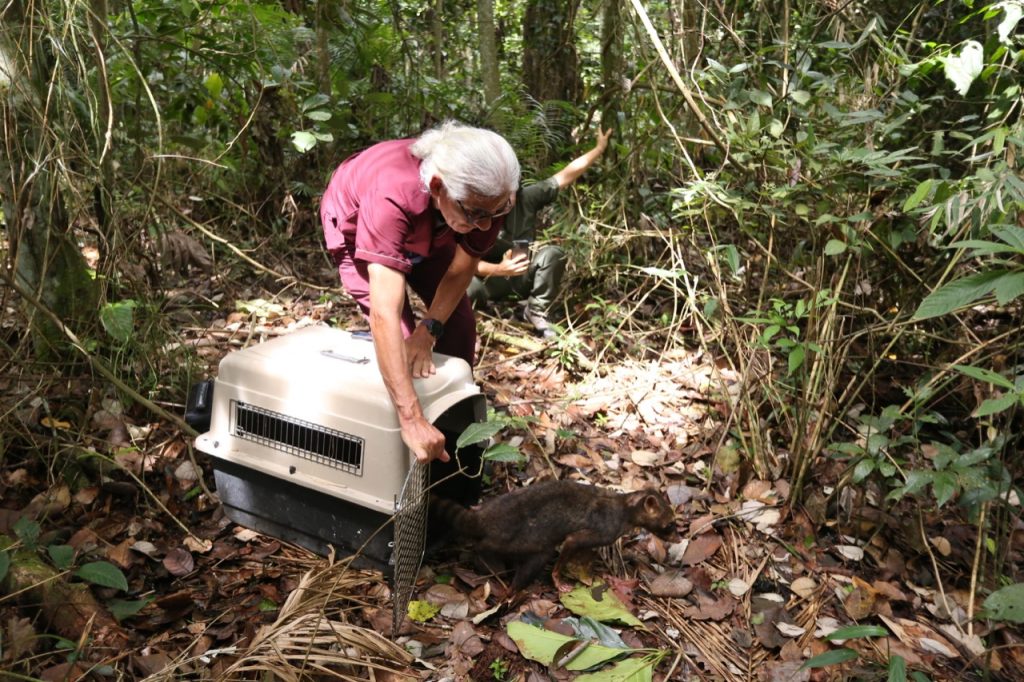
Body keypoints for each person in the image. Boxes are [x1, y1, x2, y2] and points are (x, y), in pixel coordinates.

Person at [320, 121, 520, 465]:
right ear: (438, 186)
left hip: (434, 227)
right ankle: (403, 454)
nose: (487, 226)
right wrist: (410, 416)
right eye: (477, 214)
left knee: (457, 326)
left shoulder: (489, 197)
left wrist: (431, 330)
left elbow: (462, 268)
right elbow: (385, 310)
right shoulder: (391, 194)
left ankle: (455, 446)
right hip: (360, 231)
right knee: (399, 340)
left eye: (497, 213)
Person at [467, 128, 612, 338]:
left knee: (554, 253)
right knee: (464, 286)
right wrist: (499, 269)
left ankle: (536, 310)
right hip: (488, 281)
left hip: (520, 277)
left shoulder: (527, 198)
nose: (507, 202)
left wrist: (599, 149)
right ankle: (473, 319)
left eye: (511, 193)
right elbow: (461, 260)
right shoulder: (476, 208)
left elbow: (565, 176)